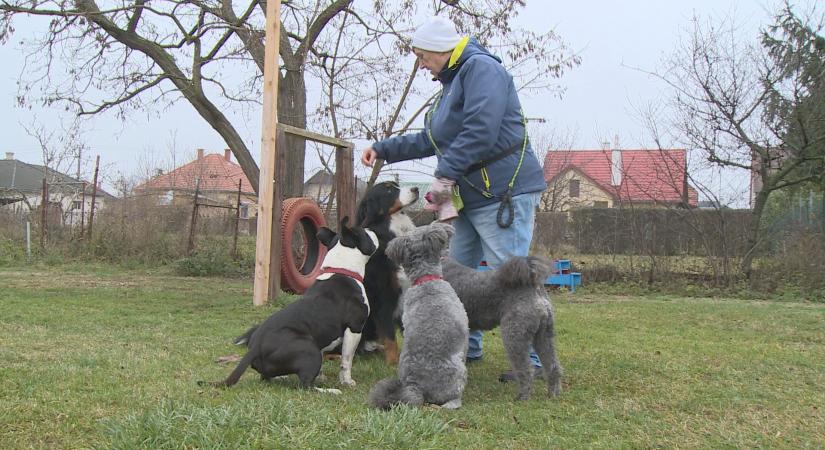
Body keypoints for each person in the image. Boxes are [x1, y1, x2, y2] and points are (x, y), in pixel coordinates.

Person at [360, 16, 547, 381]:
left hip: (502, 192)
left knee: (511, 276)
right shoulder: (451, 84)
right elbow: (432, 138)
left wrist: (445, 173)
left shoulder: (481, 70)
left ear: (438, 49)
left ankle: (533, 362)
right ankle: (464, 346)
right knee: (449, 275)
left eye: (420, 55)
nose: (420, 63)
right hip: (471, 197)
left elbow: (481, 129)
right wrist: (383, 148)